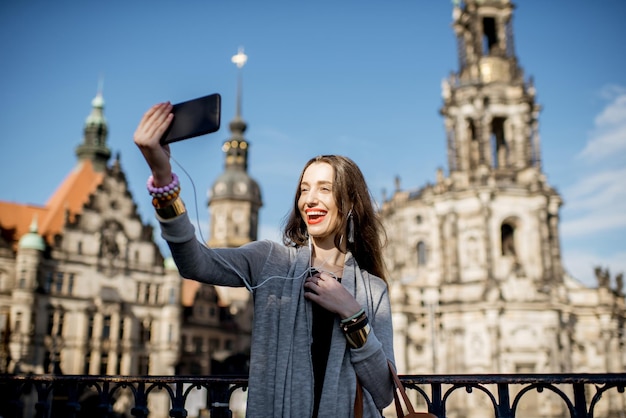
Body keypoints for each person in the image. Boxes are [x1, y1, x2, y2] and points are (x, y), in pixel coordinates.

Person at [134, 102, 396, 417]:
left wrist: (352, 313)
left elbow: (383, 393)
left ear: (350, 203)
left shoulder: (372, 290)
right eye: (304, 190)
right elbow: (194, 263)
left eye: (324, 189)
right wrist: (163, 181)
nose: (309, 199)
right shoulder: (271, 261)